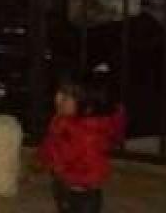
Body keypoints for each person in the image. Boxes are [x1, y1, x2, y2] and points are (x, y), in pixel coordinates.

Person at [37, 73, 125, 213]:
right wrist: (45, 157)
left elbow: (94, 169)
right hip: (63, 183)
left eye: (68, 96)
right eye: (61, 92)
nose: (59, 98)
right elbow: (51, 141)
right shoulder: (62, 119)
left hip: (83, 194)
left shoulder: (90, 135)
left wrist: (67, 173)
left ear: (88, 107)